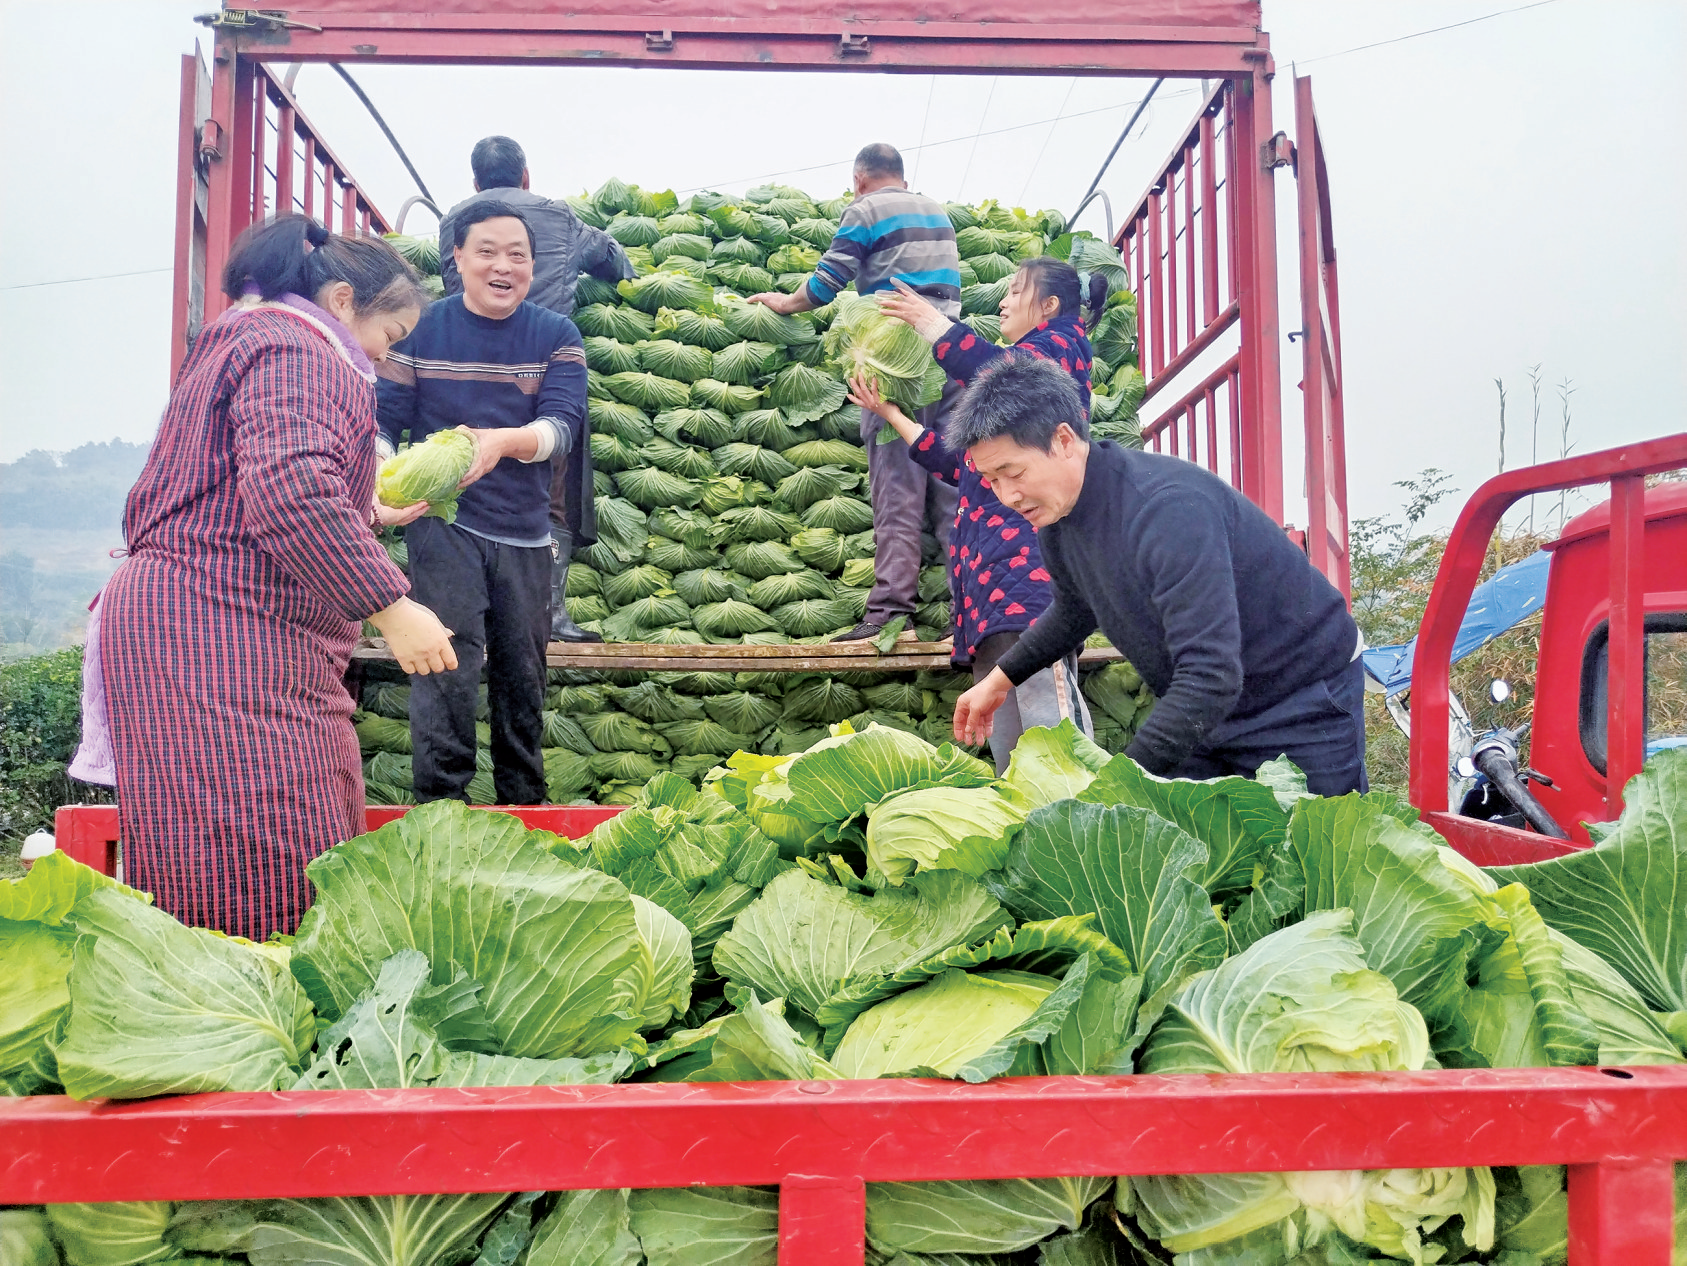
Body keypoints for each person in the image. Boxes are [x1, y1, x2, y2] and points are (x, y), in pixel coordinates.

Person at [99, 215, 453, 940]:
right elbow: (290, 492)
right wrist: (392, 604)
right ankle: (255, 1010)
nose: (386, 361)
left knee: (211, 841)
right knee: (269, 841)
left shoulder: (256, 336)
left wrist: (365, 507)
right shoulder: (300, 351)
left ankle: (216, 1009)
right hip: (218, 632)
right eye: (391, 338)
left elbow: (243, 484)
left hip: (207, 623)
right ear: (345, 301)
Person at [949, 356, 1368, 795]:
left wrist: (1116, 787)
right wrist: (999, 680)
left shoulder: (1166, 510)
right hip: (1209, 710)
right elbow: (1076, 609)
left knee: (1313, 852)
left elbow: (1211, 676)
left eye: (1013, 473)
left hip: (1302, 699)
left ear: (1065, 440)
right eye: (991, 480)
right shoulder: (1059, 520)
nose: (1007, 495)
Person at [846, 257, 1109, 771]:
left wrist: (931, 324)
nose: (1003, 301)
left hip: (1029, 589)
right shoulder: (1011, 422)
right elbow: (957, 464)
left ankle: (1080, 820)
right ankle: (1032, 829)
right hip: (992, 595)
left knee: (1053, 734)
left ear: (1049, 306)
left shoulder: (1060, 349)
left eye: (1015, 291)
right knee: (1012, 744)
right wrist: (893, 415)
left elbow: (1002, 372)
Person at [377, 200, 588, 806]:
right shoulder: (420, 331)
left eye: (517, 255)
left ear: (531, 265)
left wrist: (502, 443)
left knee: (524, 675)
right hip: (444, 525)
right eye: (488, 252)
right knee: (447, 666)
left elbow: (561, 427)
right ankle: (442, 808)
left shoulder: (555, 335)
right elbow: (383, 422)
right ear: (458, 259)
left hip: (524, 532)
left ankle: (525, 802)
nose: (504, 266)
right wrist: (376, 473)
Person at [747, 142, 963, 642]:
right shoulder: (937, 212)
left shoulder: (865, 209)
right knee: (956, 489)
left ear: (860, 177)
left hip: (894, 360)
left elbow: (826, 283)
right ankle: (970, 614)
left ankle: (892, 616)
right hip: (951, 356)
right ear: (902, 175)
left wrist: (784, 303)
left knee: (898, 490)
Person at [438, 135, 633, 644]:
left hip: (464, 368)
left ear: (476, 182)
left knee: (466, 483)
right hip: (542, 368)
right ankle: (548, 614)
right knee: (553, 492)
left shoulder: (455, 220)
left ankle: (466, 619)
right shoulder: (561, 216)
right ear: (526, 176)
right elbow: (611, 257)